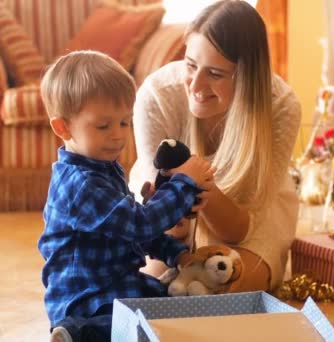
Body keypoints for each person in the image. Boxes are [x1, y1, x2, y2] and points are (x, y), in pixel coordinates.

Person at [37, 50, 214, 342]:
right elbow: (138, 224)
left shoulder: (104, 169)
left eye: (124, 122)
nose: (118, 135)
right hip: (86, 298)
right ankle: (76, 334)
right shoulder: (80, 185)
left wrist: (175, 252)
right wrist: (183, 183)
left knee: (173, 309)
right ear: (63, 127)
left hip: (120, 284)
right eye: (104, 126)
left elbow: (129, 233)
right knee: (126, 326)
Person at [129, 0, 302, 294]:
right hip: (168, 225)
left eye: (215, 74)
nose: (196, 84)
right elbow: (164, 228)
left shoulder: (281, 108)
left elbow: (237, 230)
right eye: (191, 65)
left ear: (246, 77)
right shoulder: (158, 95)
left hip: (249, 218)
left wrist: (203, 190)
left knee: (222, 288)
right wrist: (175, 218)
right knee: (149, 288)